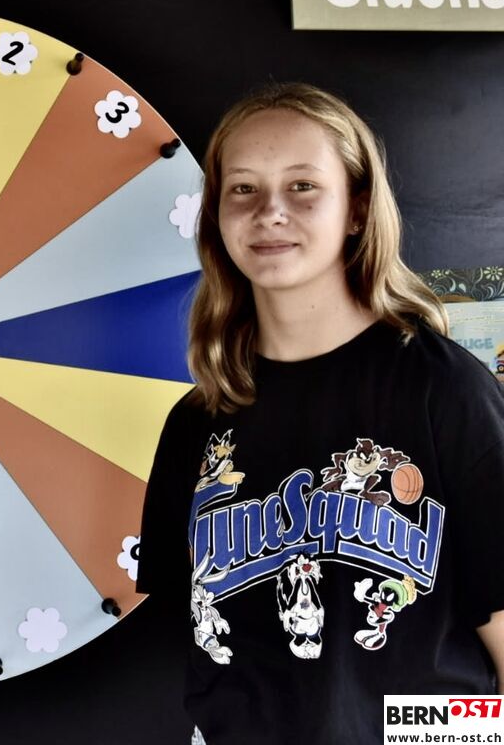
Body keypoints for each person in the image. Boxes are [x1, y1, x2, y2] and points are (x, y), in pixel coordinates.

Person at [137, 84, 504, 743]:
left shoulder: (444, 390)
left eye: (303, 186)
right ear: (216, 217)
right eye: (243, 189)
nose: (270, 211)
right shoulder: (196, 422)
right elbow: (192, 637)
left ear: (357, 209)